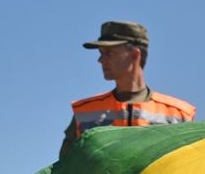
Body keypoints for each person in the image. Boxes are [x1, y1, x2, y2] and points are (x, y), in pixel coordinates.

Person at [61, 20, 195, 154]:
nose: (100, 60)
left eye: (109, 53)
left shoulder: (178, 114)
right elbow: (64, 171)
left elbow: (190, 168)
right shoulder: (84, 113)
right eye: (101, 53)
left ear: (135, 54)